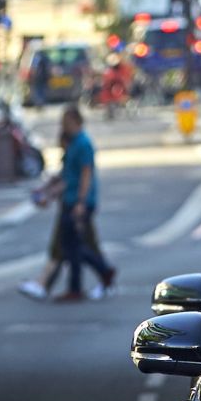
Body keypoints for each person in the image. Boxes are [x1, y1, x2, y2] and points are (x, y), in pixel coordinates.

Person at [51, 105, 116, 304]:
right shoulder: (73, 143)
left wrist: (81, 201)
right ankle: (86, 280)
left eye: (67, 123)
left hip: (80, 202)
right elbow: (67, 175)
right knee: (72, 246)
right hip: (70, 199)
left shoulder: (83, 143)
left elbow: (86, 174)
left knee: (73, 245)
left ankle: (96, 274)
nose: (64, 127)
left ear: (77, 122)